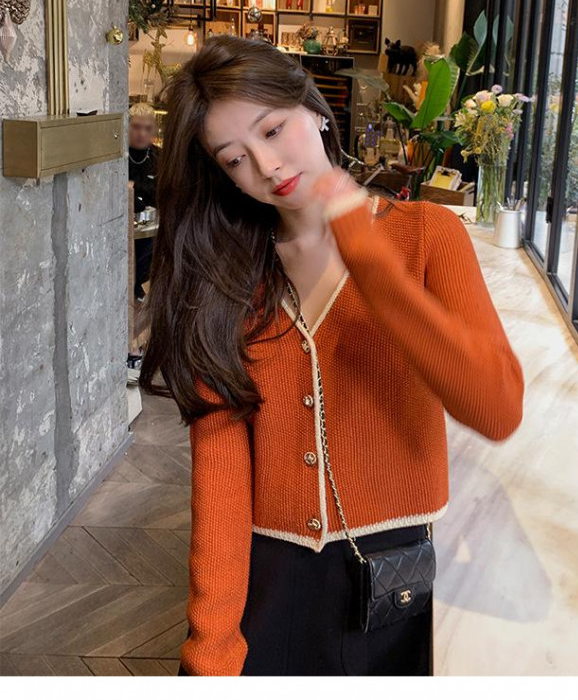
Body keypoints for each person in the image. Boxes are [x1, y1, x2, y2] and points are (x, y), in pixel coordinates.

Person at [139, 35, 525, 676]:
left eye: (273, 130)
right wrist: (210, 648)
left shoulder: (428, 237)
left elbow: (497, 406)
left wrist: (364, 252)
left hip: (393, 577)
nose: (266, 166)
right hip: (272, 578)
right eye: (234, 159)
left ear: (314, 109)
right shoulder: (225, 277)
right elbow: (221, 479)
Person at [127, 103, 161, 376]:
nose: (141, 133)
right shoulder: (118, 156)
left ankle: (139, 337)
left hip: (151, 231)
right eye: (136, 127)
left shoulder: (159, 158)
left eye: (147, 128)